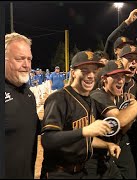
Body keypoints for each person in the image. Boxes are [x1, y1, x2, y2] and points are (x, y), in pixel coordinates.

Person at [40, 51, 116, 179]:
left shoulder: (90, 101)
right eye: (85, 70)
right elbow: (48, 139)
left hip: (82, 172)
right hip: (59, 173)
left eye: (94, 71)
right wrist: (85, 130)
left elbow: (85, 139)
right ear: (73, 72)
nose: (91, 75)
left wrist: (107, 145)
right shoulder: (59, 98)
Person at [90, 60, 137, 179]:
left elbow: (124, 128)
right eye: (115, 76)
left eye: (122, 76)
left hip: (119, 144)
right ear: (104, 79)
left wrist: (131, 111)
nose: (120, 80)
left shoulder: (120, 97)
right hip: (99, 151)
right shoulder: (97, 95)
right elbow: (119, 121)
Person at [5, 32, 41, 178]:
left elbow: (32, 127)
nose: (26, 65)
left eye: (29, 59)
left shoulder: (28, 93)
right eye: (20, 59)